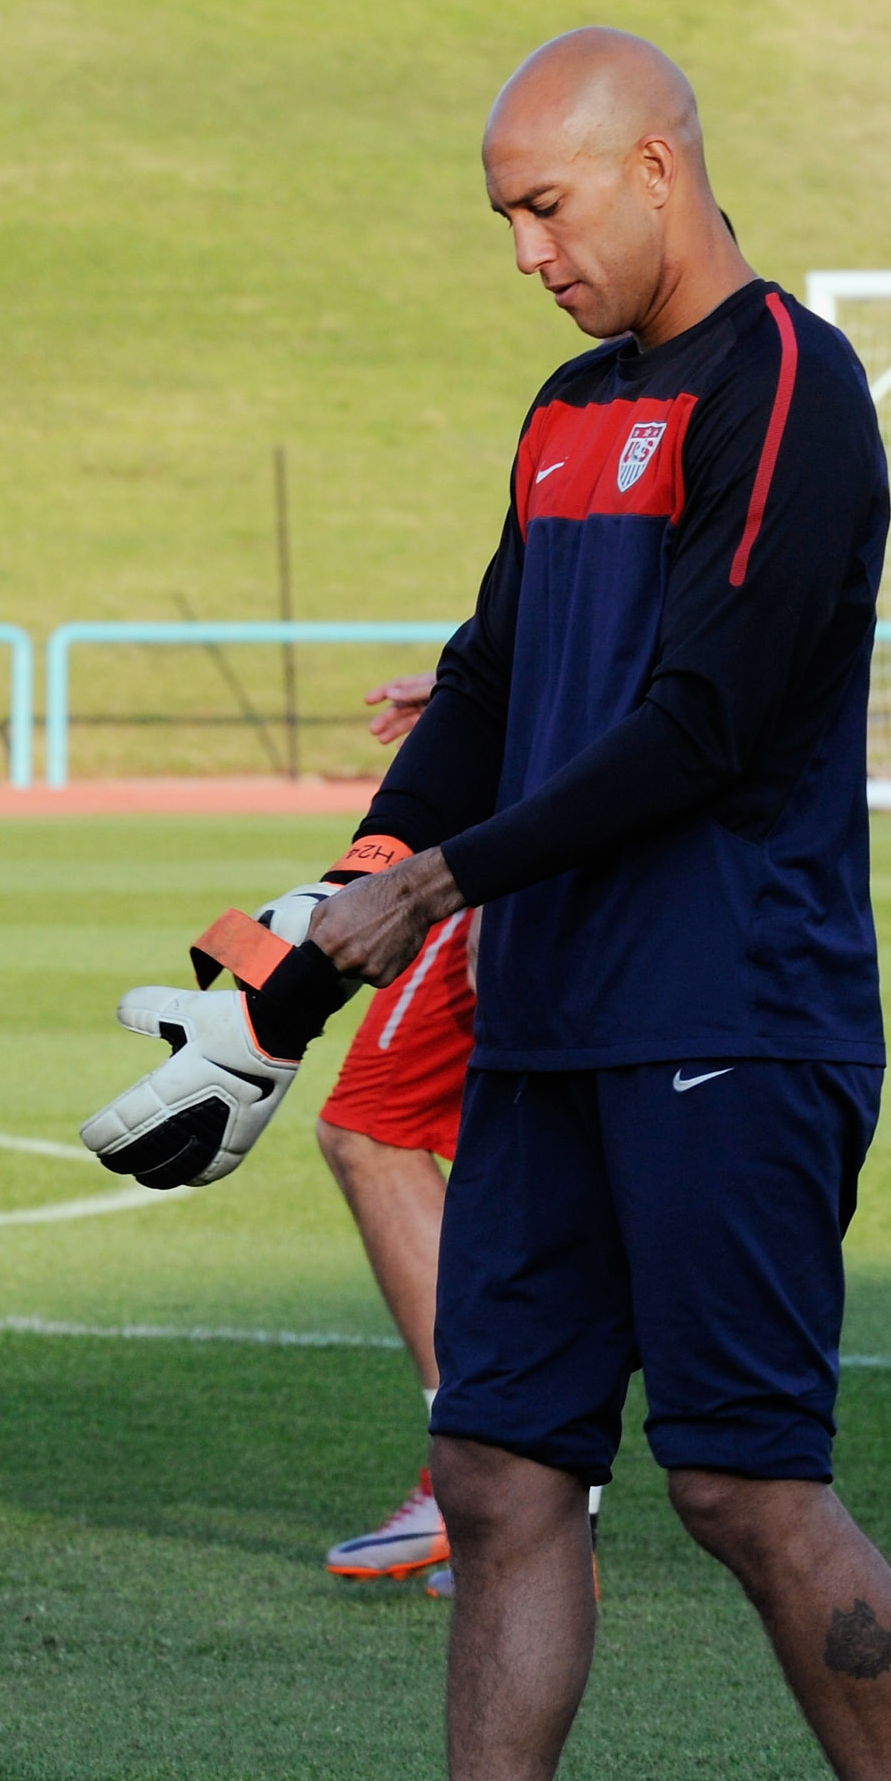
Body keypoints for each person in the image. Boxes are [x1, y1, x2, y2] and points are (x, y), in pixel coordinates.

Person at [205, 29, 891, 1781]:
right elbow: (482, 688)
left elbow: (706, 724)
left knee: (745, 1490)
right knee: (494, 1471)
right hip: (556, 1032)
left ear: (660, 168)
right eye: (504, 219)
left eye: (546, 207)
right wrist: (297, 973)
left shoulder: (793, 388)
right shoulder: (568, 411)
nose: (526, 253)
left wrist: (446, 882)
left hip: (737, 1014)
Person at [318, 676, 602, 1599]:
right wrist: (485, 692)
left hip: (531, 828)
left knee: (374, 1127)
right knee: (561, 1150)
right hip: (580, 793)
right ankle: (542, 1501)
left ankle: (483, 1490)